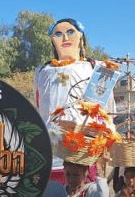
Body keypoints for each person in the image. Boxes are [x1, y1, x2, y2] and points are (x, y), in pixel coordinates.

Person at [34, 18, 116, 185]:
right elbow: (39, 108)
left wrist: (102, 152)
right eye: (58, 34)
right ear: (52, 40)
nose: (65, 38)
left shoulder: (98, 69)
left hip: (85, 153)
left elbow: (108, 114)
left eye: (70, 32)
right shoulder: (42, 71)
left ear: (81, 37)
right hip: (51, 155)